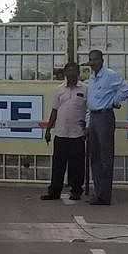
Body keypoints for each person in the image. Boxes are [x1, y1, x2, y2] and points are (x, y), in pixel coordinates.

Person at [85, 49, 128, 206]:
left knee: (105, 158)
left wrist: (114, 101)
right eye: (90, 60)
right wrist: (87, 123)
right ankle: (98, 193)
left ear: (102, 60)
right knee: (95, 158)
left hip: (105, 117)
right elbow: (90, 103)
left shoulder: (109, 75)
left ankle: (104, 195)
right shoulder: (91, 78)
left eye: (95, 60)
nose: (93, 63)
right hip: (93, 117)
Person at [41, 60, 87, 201]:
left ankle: (76, 191)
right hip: (61, 133)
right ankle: (54, 192)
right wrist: (48, 129)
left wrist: (87, 125)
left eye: (74, 71)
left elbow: (91, 110)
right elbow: (54, 111)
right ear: (65, 73)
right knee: (58, 165)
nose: (71, 74)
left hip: (77, 134)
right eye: (69, 71)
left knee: (77, 166)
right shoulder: (59, 90)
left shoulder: (86, 89)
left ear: (78, 73)